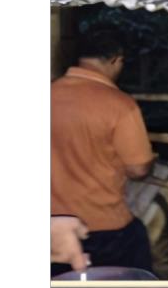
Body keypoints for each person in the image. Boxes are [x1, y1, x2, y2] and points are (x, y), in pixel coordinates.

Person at [51, 27, 155, 275]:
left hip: (50, 230)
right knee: (132, 286)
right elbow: (138, 169)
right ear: (116, 60)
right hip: (102, 227)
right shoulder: (120, 105)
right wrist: (149, 162)